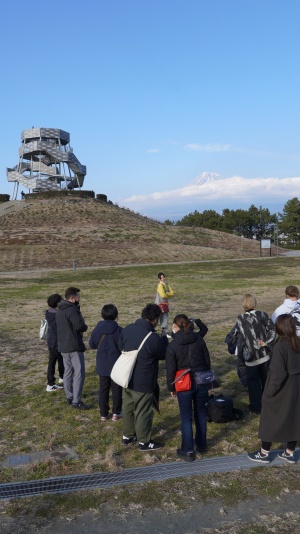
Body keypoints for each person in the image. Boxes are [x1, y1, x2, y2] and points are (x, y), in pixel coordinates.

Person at [248, 314, 300, 464]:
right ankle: (290, 452)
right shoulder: (297, 343)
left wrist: (269, 393)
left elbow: (278, 374)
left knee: (270, 417)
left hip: (282, 389)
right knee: (294, 418)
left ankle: (264, 453)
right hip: (296, 387)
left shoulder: (281, 346)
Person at [118, 303, 168, 451]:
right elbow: (163, 354)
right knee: (143, 411)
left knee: (127, 407)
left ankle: (128, 436)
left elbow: (120, 345)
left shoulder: (127, 329)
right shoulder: (152, 338)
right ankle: (144, 442)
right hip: (143, 380)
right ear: (155, 319)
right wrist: (164, 339)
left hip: (126, 377)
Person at [166, 314, 211, 462]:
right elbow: (207, 359)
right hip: (201, 380)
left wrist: (171, 387)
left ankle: (188, 450)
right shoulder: (199, 339)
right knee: (200, 413)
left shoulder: (173, 345)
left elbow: (170, 368)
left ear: (176, 327)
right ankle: (201, 444)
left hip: (183, 383)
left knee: (186, 417)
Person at [229, 294, 276, 414]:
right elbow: (272, 330)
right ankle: (270, 404)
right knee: (267, 381)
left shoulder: (240, 319)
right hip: (264, 354)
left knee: (253, 383)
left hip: (249, 356)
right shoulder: (262, 315)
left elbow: (233, 335)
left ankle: (256, 407)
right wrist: (265, 342)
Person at [56, 287, 89, 410]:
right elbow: (80, 325)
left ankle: (69, 396)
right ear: (72, 298)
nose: (79, 298)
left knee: (68, 372)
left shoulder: (60, 310)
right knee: (79, 372)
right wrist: (85, 326)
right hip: (74, 345)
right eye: (78, 296)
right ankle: (77, 401)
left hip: (63, 346)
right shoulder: (72, 310)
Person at [89, 304, 123, 422]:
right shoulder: (119, 330)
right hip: (116, 364)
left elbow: (92, 345)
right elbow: (123, 347)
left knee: (103, 389)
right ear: (116, 315)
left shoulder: (97, 329)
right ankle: (116, 412)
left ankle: (103, 414)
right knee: (117, 389)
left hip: (102, 364)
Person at [45, 293, 64, 392]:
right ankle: (56, 381)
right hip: (58, 342)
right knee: (61, 360)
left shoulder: (48, 313)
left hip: (51, 341)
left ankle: (51, 382)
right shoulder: (58, 315)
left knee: (52, 362)